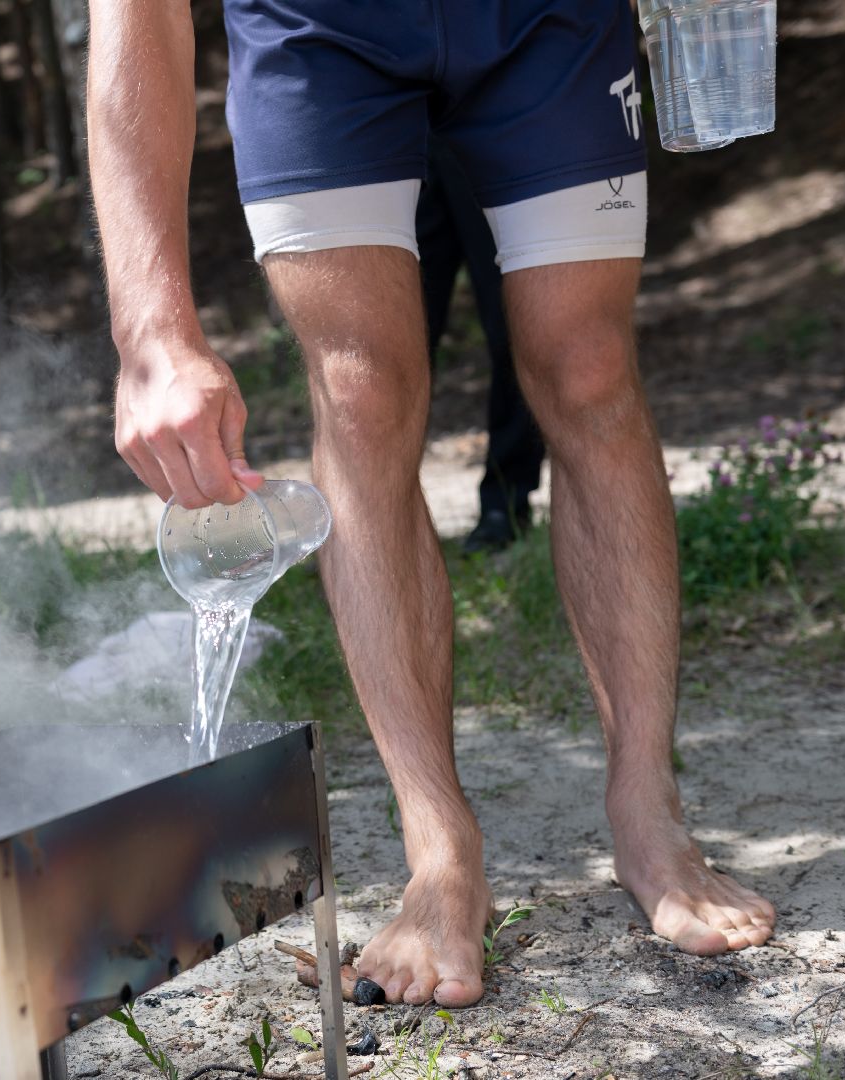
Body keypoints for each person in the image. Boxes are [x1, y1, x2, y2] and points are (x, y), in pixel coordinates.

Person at [87, 0, 776, 1007]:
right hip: (316, 27)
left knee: (586, 368)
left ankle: (648, 809)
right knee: (361, 390)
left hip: (546, 18)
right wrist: (152, 329)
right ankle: (438, 848)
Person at [417, 139, 546, 554]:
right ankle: (372, 517)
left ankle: (505, 505)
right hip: (392, 131)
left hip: (485, 124)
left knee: (516, 331)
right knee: (381, 353)